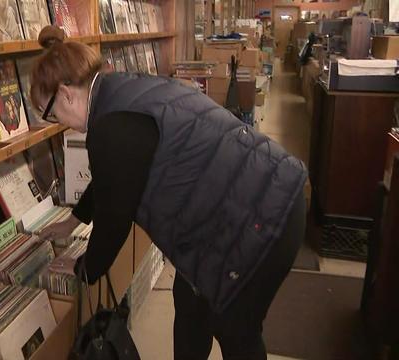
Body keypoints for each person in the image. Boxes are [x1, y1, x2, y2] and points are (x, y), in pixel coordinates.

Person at [32, 26, 307, 360]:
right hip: (255, 198)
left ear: (65, 95)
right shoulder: (120, 91)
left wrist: (84, 268)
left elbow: (115, 217)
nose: (58, 122)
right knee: (191, 305)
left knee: (235, 329)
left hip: (264, 216)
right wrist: (73, 220)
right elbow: (113, 177)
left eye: (51, 114)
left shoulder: (111, 124)